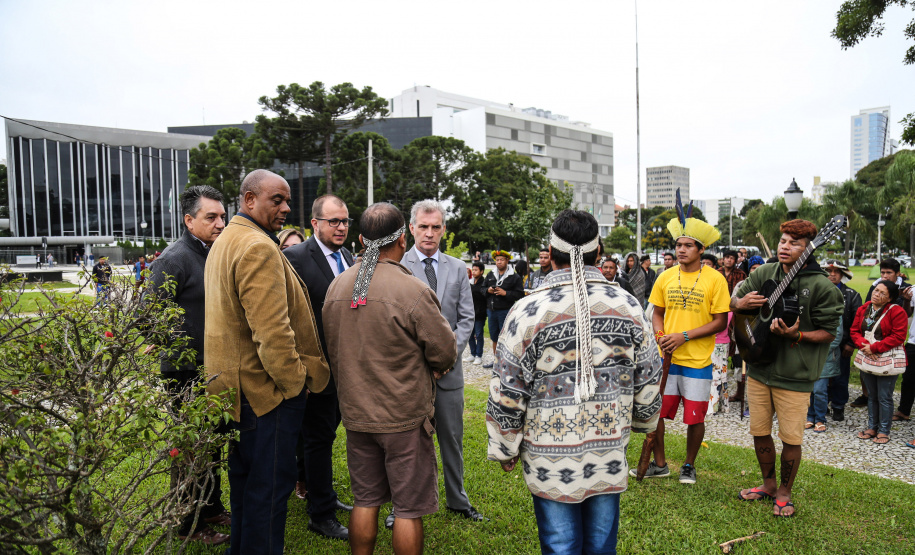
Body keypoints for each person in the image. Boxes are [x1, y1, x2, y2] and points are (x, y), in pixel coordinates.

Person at [487, 209, 663, 554]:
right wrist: (645, 420)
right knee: (600, 546)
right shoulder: (627, 306)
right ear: (600, 254)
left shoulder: (528, 311)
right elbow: (649, 375)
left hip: (548, 456)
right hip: (608, 449)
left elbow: (507, 387)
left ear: (550, 255)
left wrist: (505, 444)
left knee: (560, 546)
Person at [204, 169, 330, 554]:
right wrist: (296, 386)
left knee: (246, 488)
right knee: (268, 493)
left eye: (287, 200)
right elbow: (272, 334)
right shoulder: (256, 247)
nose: (286, 207)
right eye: (277, 199)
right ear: (248, 200)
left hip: (233, 392)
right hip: (266, 396)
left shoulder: (229, 239)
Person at [322, 202, 457, 555]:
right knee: (408, 509)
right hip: (404, 419)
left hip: (356, 415)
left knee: (365, 500)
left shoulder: (337, 287)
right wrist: (434, 365)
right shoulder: (411, 290)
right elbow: (444, 352)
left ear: (363, 239)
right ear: (401, 240)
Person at [733, 219, 843, 517]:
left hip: (794, 375)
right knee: (759, 432)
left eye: (794, 243)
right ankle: (768, 484)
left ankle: (784, 491)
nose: (785, 246)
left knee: (791, 438)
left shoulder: (822, 286)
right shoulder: (766, 272)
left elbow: (830, 332)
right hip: (759, 366)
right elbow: (735, 300)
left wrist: (796, 335)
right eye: (783, 240)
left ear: (809, 248)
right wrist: (740, 301)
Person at [147, 185, 229, 545]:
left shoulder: (211, 253)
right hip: (186, 372)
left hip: (213, 368)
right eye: (211, 217)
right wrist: (182, 345)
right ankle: (187, 526)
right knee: (191, 448)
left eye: (223, 216)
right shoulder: (174, 258)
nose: (220, 223)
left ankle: (210, 507)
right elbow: (146, 315)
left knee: (211, 444)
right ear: (189, 220)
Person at [631, 205, 729, 485]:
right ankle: (660, 463)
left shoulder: (715, 279)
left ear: (701, 250)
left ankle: (689, 464)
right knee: (657, 413)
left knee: (695, 417)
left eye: (688, 245)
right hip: (665, 359)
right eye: (678, 244)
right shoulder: (665, 275)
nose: (682, 250)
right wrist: (662, 336)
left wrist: (684, 336)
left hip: (697, 360)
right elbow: (657, 313)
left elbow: (720, 322)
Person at [400, 200, 483, 526]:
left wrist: (447, 358)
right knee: (407, 444)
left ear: (444, 229)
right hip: (410, 375)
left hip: (450, 374)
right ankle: (403, 506)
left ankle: (457, 500)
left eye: (436, 227)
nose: (430, 233)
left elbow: (466, 318)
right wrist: (422, 361)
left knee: (452, 439)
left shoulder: (456, 267)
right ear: (412, 228)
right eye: (423, 226)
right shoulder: (400, 265)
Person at [282, 194, 355, 540]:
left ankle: (321, 492)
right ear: (315, 223)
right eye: (333, 221)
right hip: (314, 371)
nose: (341, 227)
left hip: (346, 370)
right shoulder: (293, 257)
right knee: (318, 439)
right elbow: (285, 319)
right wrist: (300, 370)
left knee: (323, 437)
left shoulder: (351, 257)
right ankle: (320, 513)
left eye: (345, 221)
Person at [850, 280, 908, 445]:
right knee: (872, 395)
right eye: (876, 290)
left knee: (884, 396)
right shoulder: (865, 308)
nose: (877, 294)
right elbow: (854, 330)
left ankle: (884, 430)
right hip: (868, 355)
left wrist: (875, 348)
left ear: (890, 298)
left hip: (886, 358)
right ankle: (872, 426)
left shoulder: (897, 311)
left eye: (883, 293)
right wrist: (865, 346)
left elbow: (898, 336)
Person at [851, 258, 913, 408]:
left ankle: (884, 419)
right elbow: (867, 311)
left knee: (884, 392)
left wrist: (905, 300)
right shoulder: (875, 285)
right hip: (870, 338)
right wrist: (865, 345)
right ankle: (866, 395)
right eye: (882, 272)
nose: (885, 276)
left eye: (889, 273)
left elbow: (906, 317)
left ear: (898, 274)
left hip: (888, 341)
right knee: (865, 371)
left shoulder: (906, 289)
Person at [822, 260, 863, 422]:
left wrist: (851, 344)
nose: (832, 274)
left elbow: (857, 322)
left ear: (842, 275)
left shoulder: (852, 295)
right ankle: (821, 404)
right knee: (820, 377)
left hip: (843, 344)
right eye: (829, 271)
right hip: (819, 343)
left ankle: (838, 406)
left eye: (836, 271)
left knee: (840, 377)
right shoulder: (817, 292)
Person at [481, 250, 524, 369]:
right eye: (497, 260)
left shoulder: (514, 277)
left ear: (507, 261)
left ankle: (507, 362)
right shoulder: (491, 274)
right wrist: (487, 290)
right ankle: (496, 362)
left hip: (505, 311)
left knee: (506, 337)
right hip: (492, 311)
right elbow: (482, 289)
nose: (499, 262)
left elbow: (520, 294)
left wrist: (506, 293)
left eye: (502, 260)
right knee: (494, 337)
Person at [806, 321, 843, 433]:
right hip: (808, 356)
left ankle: (820, 419)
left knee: (819, 390)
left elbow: (837, 336)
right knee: (809, 390)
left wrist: (818, 350)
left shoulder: (834, 311)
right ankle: (810, 416)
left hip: (825, 357)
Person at [469, 261, 487, 366]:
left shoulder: (484, 283)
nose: (474, 272)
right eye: (473, 269)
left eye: (476, 270)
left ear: (481, 271)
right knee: (470, 334)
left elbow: (482, 295)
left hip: (480, 312)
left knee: (479, 334)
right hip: (470, 312)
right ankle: (472, 353)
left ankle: (478, 355)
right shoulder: (470, 282)